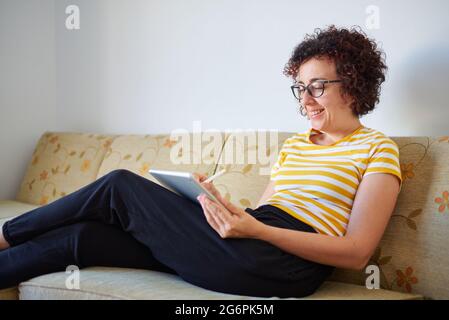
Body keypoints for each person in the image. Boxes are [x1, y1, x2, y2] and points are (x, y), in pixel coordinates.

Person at [0, 25, 402, 298]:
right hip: (250, 245)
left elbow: (355, 252)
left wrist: (259, 232)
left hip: (287, 265)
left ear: (353, 84)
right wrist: (215, 204)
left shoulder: (377, 148)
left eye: (317, 87)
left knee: (119, 185)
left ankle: (5, 234)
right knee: (81, 238)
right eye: (299, 88)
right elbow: (263, 213)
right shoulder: (296, 145)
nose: (305, 100)